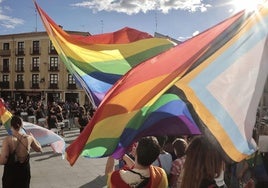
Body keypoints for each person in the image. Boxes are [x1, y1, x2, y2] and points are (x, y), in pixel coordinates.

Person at [0, 115, 42, 188]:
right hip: (24, 173)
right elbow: (39, 149)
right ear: (22, 125)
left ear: (11, 126)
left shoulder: (7, 140)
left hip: (10, 175)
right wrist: (34, 138)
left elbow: (2, 161)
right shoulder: (29, 138)